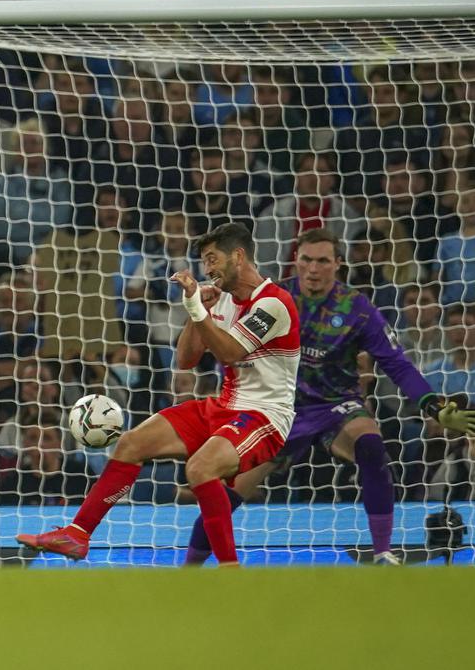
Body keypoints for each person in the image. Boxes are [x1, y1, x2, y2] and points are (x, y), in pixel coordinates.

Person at [182, 229, 475, 565]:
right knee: (227, 492)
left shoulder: (357, 309)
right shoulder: (272, 299)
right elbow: (233, 354)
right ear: (297, 260)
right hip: (279, 411)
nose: (313, 268)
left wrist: (432, 405)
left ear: (338, 263)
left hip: (335, 406)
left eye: (322, 260)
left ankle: (382, 552)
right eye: (306, 259)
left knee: (371, 444)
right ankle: (189, 570)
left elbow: (396, 363)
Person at [16, 223, 301, 566]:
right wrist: (199, 312)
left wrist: (197, 309)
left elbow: (229, 353)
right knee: (131, 443)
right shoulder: (222, 299)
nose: (207, 269)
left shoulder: (274, 303)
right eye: (204, 262)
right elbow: (185, 360)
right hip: (224, 405)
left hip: (265, 417)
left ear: (238, 256)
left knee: (200, 469)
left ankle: (229, 569)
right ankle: (77, 534)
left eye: (212, 259)